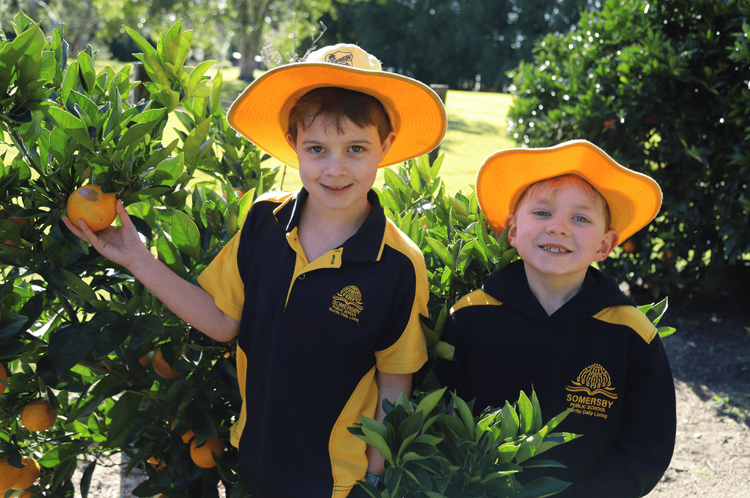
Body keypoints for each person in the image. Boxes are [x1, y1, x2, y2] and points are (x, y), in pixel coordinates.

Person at [64, 43, 447, 497]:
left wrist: (376, 477)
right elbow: (222, 321)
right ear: (293, 145)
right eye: (317, 148)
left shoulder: (400, 264)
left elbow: (394, 380)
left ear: (385, 146)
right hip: (256, 458)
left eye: (356, 148)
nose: (335, 168)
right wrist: (137, 260)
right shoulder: (264, 222)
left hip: (338, 480)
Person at [437, 140, 676, 497]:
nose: (559, 227)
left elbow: (646, 446)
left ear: (605, 245)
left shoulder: (630, 333)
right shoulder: (470, 316)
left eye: (580, 218)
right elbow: (439, 420)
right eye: (542, 213)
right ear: (513, 230)